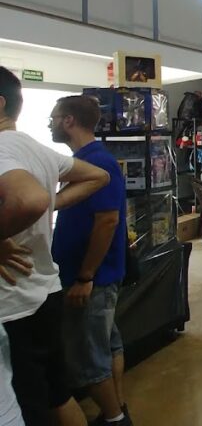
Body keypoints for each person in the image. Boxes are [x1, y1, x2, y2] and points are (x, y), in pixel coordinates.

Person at [0, 67, 111, 426]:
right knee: (56, 395)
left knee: (26, 406)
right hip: (44, 292)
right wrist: (52, 201)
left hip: (12, 305)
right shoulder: (34, 148)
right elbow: (96, 177)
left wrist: (44, 203)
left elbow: (30, 200)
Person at [49, 96, 132, 426]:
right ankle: (118, 407)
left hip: (93, 280)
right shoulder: (81, 161)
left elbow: (108, 220)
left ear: (69, 120)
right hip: (93, 276)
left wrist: (86, 276)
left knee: (90, 355)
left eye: (54, 117)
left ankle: (114, 418)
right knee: (108, 345)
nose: (50, 122)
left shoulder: (98, 163)